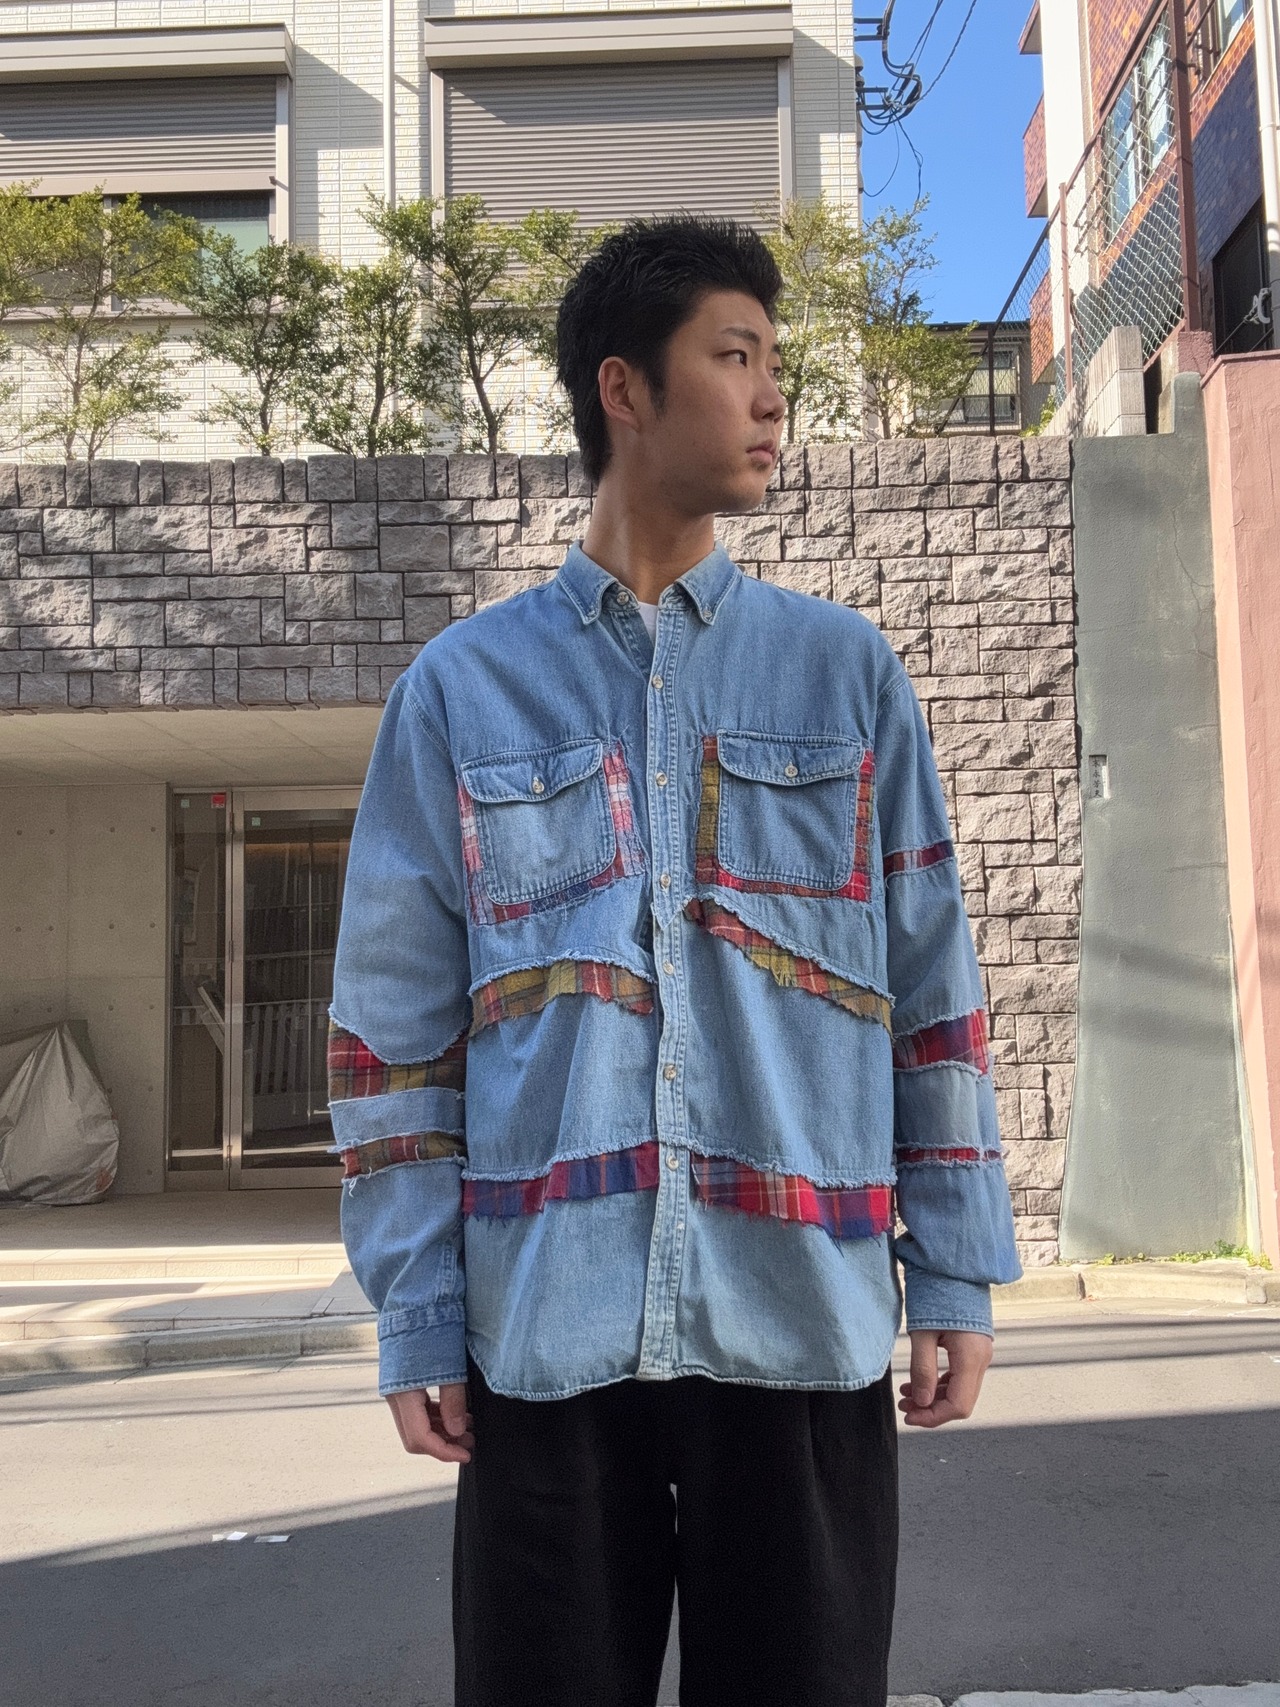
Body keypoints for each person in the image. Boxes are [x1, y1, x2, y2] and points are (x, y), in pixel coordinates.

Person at [328, 215, 1022, 1707]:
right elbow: (393, 1031)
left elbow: (930, 989)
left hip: (801, 1320)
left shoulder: (845, 675)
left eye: (776, 362)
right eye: (737, 356)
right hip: (543, 1338)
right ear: (625, 388)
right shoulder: (461, 691)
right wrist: (418, 1306)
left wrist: (956, 1270)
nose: (774, 397)